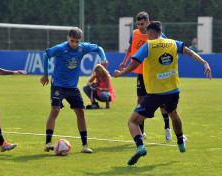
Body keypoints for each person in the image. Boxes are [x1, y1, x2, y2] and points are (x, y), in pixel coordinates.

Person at [114, 21, 212, 165]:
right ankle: (180, 142)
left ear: (150, 33)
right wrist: (204, 63)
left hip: (155, 93)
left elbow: (135, 63)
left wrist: (120, 73)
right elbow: (189, 52)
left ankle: (140, 147)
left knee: (133, 122)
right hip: (173, 90)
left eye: (147, 34)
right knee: (174, 114)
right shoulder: (172, 43)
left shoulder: (148, 45)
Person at [40, 27, 109, 153]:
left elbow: (98, 48)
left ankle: (85, 145)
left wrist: (103, 58)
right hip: (58, 85)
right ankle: (48, 142)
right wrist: (45, 74)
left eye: (77, 41)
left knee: (81, 113)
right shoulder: (60, 48)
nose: (74, 44)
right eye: (72, 41)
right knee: (55, 110)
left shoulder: (83, 47)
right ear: (67, 38)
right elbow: (46, 55)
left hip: (72, 87)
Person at [119, 11, 172, 142]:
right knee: (140, 101)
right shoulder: (134, 33)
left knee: (162, 103)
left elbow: (166, 47)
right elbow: (131, 47)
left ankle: (167, 128)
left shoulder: (157, 34)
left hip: (154, 73)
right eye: (138, 24)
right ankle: (141, 131)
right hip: (142, 73)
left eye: (142, 24)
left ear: (148, 23)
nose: (140, 27)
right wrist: (125, 61)